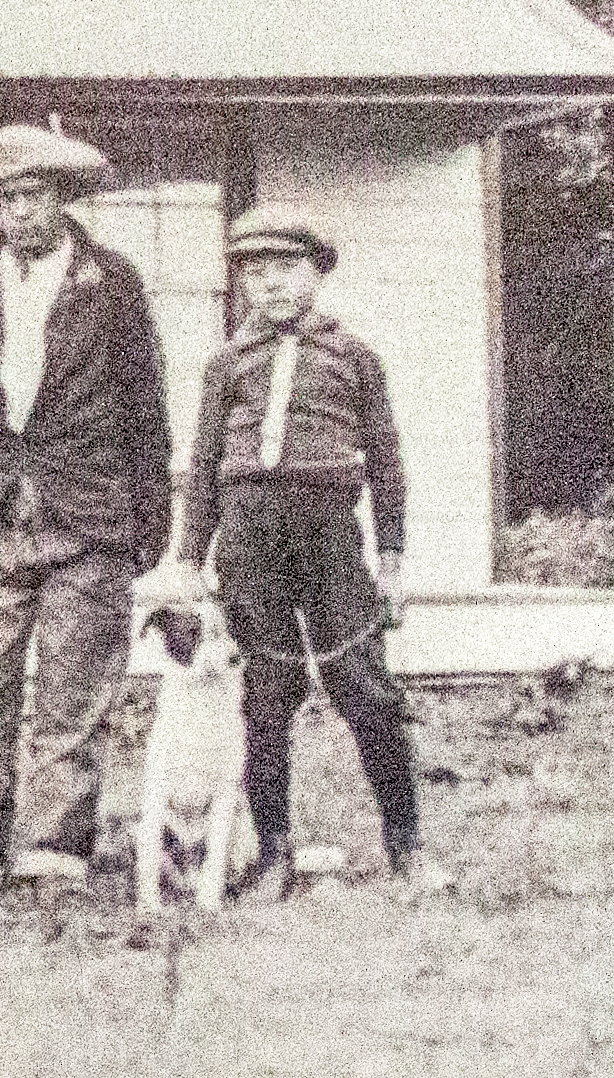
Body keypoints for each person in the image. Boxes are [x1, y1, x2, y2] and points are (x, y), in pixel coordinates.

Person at [0, 123, 173, 890]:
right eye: (6, 200)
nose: (21, 213)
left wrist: (146, 520)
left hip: (87, 513)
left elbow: (146, 407)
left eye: (34, 196)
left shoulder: (112, 281)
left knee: (76, 689)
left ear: (62, 198)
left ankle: (53, 848)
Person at [176, 204, 443, 893]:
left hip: (328, 538)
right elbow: (203, 465)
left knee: (367, 690)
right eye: (255, 273)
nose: (271, 285)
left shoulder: (355, 357)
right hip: (247, 541)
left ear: (318, 273)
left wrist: (390, 561)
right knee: (266, 696)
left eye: (287, 269)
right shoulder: (227, 362)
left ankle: (406, 846)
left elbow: (386, 462)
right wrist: (188, 559)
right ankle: (274, 853)